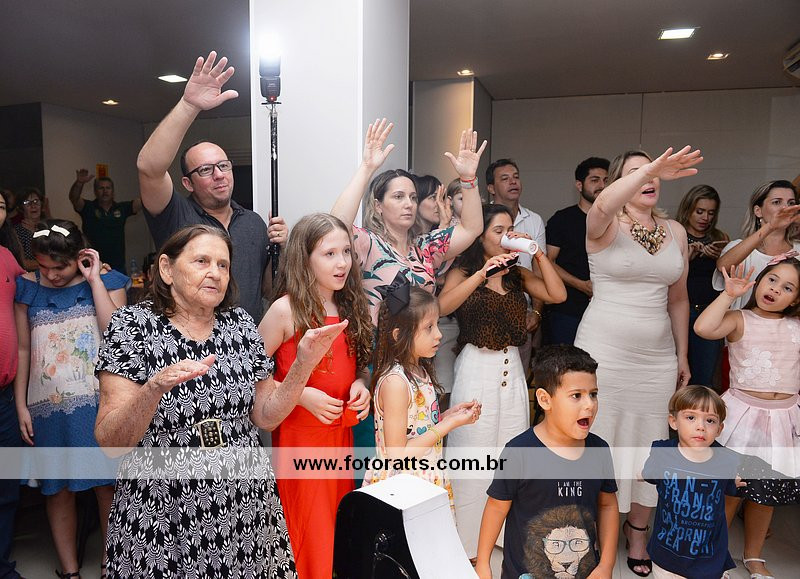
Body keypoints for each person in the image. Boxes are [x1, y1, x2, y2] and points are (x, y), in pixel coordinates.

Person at [94, 224, 347, 578]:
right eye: (202, 261)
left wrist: (302, 365)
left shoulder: (239, 325)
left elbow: (265, 416)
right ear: (167, 269)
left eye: (223, 265)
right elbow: (110, 442)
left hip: (243, 506)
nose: (215, 272)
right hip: (164, 508)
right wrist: (153, 389)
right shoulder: (133, 327)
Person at [574, 146, 700, 576]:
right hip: (603, 353)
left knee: (651, 443)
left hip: (657, 357)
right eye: (638, 172)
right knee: (599, 439)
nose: (650, 178)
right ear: (619, 181)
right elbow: (602, 204)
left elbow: (678, 298)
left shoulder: (675, 231)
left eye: (654, 172)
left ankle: (638, 532)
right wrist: (649, 169)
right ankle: (592, 530)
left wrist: (682, 354)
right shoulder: (604, 223)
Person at [438, 203, 566, 558]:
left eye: (511, 230)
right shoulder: (463, 270)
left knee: (510, 453)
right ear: (480, 235)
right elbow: (443, 307)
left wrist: (536, 254)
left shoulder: (517, 275)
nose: (507, 236)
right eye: (499, 230)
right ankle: (465, 541)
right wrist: (482, 274)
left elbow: (558, 294)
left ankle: (501, 535)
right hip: (476, 367)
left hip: (512, 368)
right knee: (472, 451)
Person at [258, 213, 373, 578]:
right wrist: (301, 395)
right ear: (303, 258)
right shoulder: (284, 310)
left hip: (340, 436)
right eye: (329, 254)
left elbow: (360, 364)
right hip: (300, 440)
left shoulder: (350, 305)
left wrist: (362, 384)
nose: (342, 263)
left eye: (346, 252)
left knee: (338, 526)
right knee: (309, 530)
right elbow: (248, 377)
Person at [13, 219, 128, 579]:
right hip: (47, 409)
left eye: (59, 267)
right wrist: (20, 405)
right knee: (58, 489)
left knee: (106, 486)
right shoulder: (27, 288)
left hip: (99, 406)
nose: (51, 275)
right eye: (44, 266)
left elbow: (117, 335)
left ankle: (111, 565)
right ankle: (70, 571)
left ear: (80, 256)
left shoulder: (108, 281)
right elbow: (23, 349)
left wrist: (94, 280)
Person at [136, 50, 287, 321]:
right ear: (188, 183)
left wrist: (282, 248)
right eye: (205, 170)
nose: (219, 175)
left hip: (244, 340)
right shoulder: (175, 215)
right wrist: (189, 105)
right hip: (189, 338)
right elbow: (149, 167)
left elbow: (267, 289)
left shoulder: (253, 223)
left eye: (224, 165)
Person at [694, 258, 800, 579]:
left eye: (787, 288)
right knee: (730, 492)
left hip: (783, 422)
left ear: (795, 299)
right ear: (760, 280)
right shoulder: (741, 319)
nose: (775, 289)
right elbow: (703, 328)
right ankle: (715, 555)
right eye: (772, 279)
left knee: (765, 495)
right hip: (743, 420)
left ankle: (753, 555)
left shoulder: (796, 326)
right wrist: (728, 295)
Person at [475, 345, 618, 579]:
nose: (590, 405)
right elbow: (496, 507)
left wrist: (606, 565)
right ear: (545, 399)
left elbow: (607, 506)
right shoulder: (518, 452)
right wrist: (483, 563)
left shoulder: (599, 450)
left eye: (593, 394)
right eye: (577, 395)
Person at [332, 120, 486, 324]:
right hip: (379, 343)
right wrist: (367, 168)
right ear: (378, 206)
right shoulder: (368, 243)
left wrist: (468, 178)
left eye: (413, 197)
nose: (409, 204)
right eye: (398, 197)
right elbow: (335, 227)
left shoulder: (425, 247)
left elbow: (472, 228)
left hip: (422, 343)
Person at [363, 285, 481, 509]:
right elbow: (398, 455)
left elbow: (417, 427)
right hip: (403, 487)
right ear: (399, 335)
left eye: (437, 324)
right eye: (429, 327)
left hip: (426, 478)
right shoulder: (396, 383)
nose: (439, 334)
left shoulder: (420, 371)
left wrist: (449, 416)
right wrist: (447, 425)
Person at [641, 386, 742, 579]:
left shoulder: (726, 460)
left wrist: (735, 480)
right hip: (667, 552)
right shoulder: (663, 452)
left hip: (707, 556)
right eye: (690, 417)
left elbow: (731, 488)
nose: (700, 426)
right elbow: (650, 474)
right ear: (673, 421)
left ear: (719, 429)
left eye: (710, 420)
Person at [544, 157, 609, 345]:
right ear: (579, 185)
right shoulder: (562, 220)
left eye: (606, 180)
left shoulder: (618, 221)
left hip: (608, 309)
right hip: (568, 310)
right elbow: (548, 262)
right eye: (595, 180)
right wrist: (581, 285)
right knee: (566, 361)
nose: (602, 185)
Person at [714, 180, 800, 310]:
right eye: (777, 202)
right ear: (758, 211)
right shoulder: (738, 246)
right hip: (742, 321)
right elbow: (723, 267)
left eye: (791, 203)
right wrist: (770, 227)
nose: (785, 208)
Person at [675, 185, 729, 387]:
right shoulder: (675, 234)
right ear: (688, 209)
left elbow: (729, 279)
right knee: (675, 374)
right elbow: (664, 277)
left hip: (709, 314)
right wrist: (685, 259)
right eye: (700, 211)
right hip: (679, 313)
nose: (705, 218)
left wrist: (721, 259)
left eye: (711, 213)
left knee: (704, 377)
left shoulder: (720, 238)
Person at [0, 190, 25, 579]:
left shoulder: (6, 257)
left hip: (4, 397)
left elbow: (39, 282)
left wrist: (91, 271)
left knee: (7, 487)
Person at [68, 169, 142, 273]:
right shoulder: (88, 207)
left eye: (108, 188)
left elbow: (142, 202)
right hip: (92, 265)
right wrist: (79, 183)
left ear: (113, 191)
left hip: (117, 266)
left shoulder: (121, 208)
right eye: (101, 188)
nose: (105, 191)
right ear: (95, 191)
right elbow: (74, 198)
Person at [13, 187, 46, 271]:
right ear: (21, 207)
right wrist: (50, 264)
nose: (33, 206)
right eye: (27, 202)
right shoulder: (16, 231)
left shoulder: (49, 227)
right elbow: (22, 263)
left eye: (36, 201)